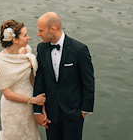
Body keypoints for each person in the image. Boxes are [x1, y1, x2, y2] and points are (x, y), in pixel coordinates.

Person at [33, 12, 95, 140]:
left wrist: (83, 111)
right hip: (51, 114)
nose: (38, 34)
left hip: (73, 114)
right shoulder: (41, 48)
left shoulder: (79, 50)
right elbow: (40, 79)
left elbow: (88, 82)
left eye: (41, 30)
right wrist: (37, 110)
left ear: (52, 29)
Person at [0, 19, 46, 140]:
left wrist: (41, 109)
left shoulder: (26, 52)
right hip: (13, 110)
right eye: (25, 35)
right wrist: (33, 100)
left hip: (30, 108)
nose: (29, 37)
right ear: (15, 40)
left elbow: (33, 81)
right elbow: (8, 95)